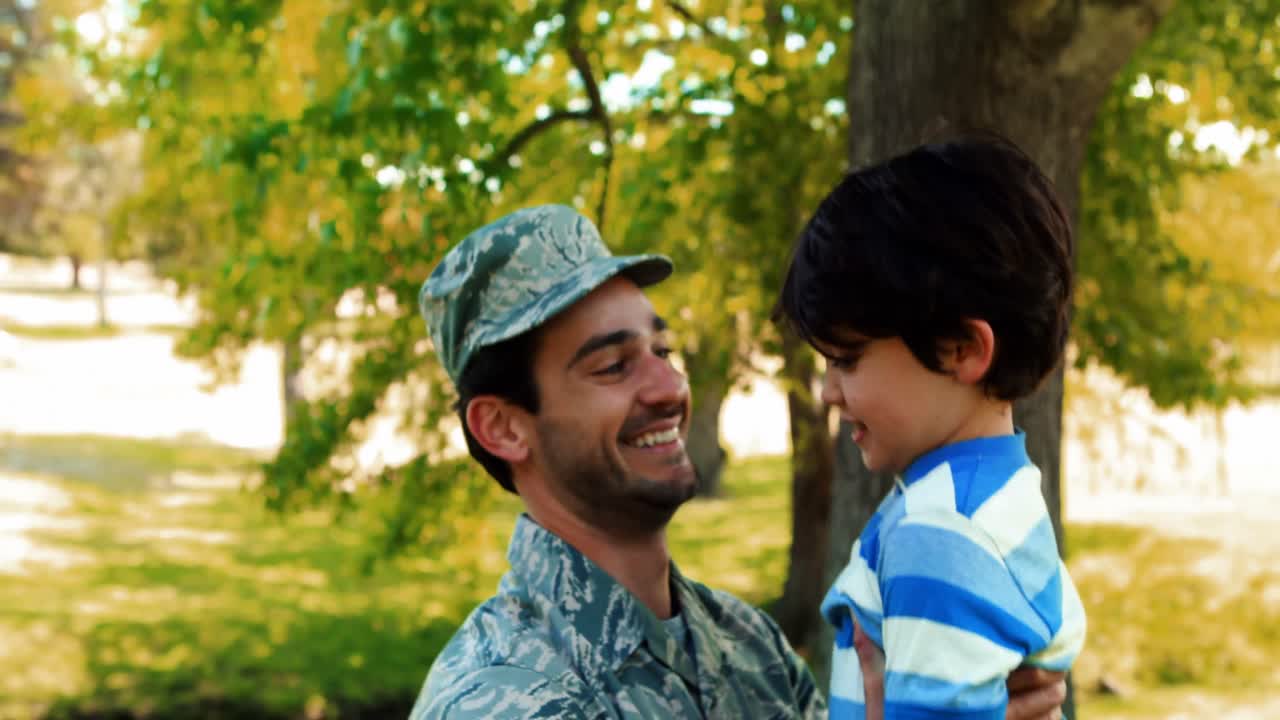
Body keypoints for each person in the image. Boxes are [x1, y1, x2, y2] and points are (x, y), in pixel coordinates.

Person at [410, 203, 1068, 719]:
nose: (669, 389)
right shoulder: (499, 699)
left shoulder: (743, 643)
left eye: (663, 351)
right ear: (502, 427)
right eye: (613, 367)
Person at [776, 135, 1087, 720]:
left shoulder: (940, 530)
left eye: (847, 359)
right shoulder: (1000, 500)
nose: (830, 392)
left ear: (961, 349)